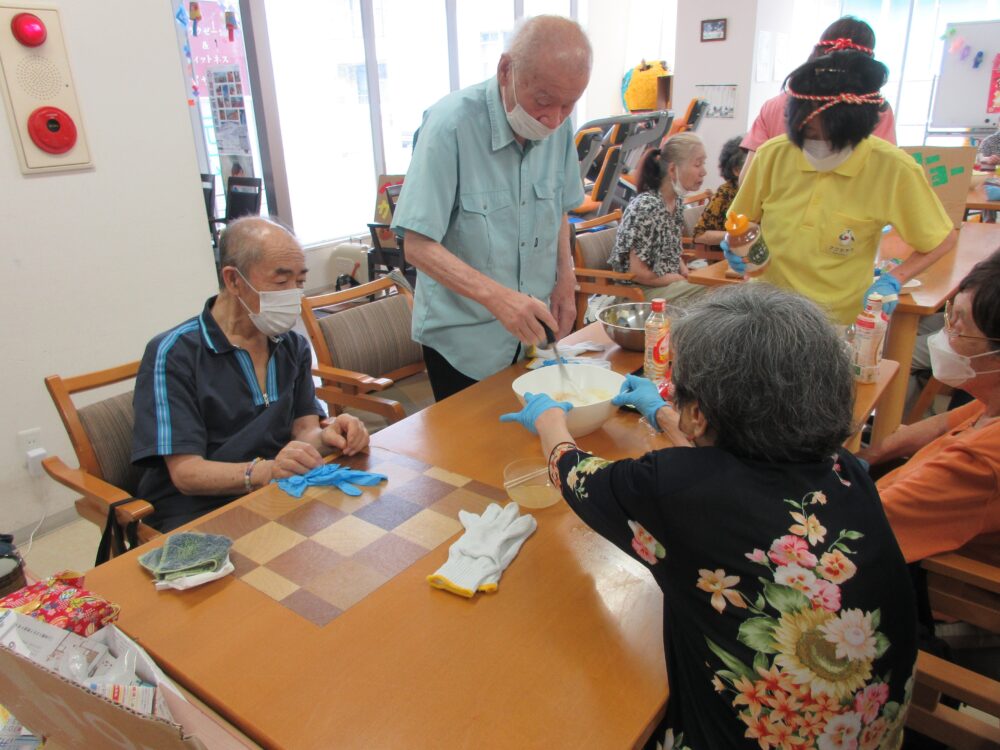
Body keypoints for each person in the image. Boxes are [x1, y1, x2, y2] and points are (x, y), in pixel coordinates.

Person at [500, 284, 917, 748]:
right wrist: (661, 414)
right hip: (875, 733)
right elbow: (734, 464)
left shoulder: (672, 489)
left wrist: (548, 420)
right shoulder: (845, 469)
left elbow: (575, 477)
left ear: (697, 413)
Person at [390, 15, 591, 402]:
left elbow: (560, 209)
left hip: (529, 336)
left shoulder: (560, 127)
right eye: (544, 101)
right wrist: (500, 299)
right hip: (464, 342)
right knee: (473, 454)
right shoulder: (450, 126)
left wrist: (565, 277)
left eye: (569, 105)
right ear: (506, 71)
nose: (554, 119)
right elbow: (416, 245)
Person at [131, 217, 370, 531]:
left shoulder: (289, 344)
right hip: (199, 512)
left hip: (279, 492)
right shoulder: (174, 354)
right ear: (233, 280)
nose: (294, 295)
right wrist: (267, 471)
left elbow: (303, 431)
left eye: (300, 282)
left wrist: (328, 435)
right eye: (281, 282)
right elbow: (186, 473)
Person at [727, 49, 955, 325]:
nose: (816, 145)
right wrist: (735, 243)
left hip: (837, 320)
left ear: (857, 130)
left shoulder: (892, 169)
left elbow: (941, 239)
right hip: (765, 309)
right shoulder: (774, 154)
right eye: (808, 134)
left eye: (829, 138)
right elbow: (742, 218)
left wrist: (895, 279)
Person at [860, 249, 1000, 562]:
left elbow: (857, 531)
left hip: (934, 576)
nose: (945, 333)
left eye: (959, 325)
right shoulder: (991, 404)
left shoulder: (980, 463)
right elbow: (941, 424)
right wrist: (867, 456)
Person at [740, 16, 896, 183]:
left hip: (775, 203)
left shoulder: (775, 105)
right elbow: (882, 174)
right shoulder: (874, 108)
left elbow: (747, 179)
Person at [607, 133, 708, 306]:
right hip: (640, 293)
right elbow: (639, 273)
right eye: (698, 164)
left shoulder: (675, 203)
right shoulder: (646, 207)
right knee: (714, 291)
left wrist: (685, 273)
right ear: (672, 169)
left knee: (715, 284)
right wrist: (677, 278)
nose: (704, 171)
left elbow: (673, 254)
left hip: (665, 285)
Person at [691, 135, 746, 246]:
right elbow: (699, 235)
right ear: (736, 170)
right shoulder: (725, 193)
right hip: (728, 256)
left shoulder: (760, 191)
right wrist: (736, 236)